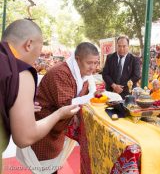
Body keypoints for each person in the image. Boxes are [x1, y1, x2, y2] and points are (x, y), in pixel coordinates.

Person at [0, 19, 80, 170]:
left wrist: (20, 108)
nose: (37, 59)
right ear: (29, 44)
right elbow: (25, 137)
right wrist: (59, 114)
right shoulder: (21, 72)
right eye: (39, 50)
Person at [17, 42, 99, 174]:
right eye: (90, 63)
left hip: (57, 128)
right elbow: (67, 105)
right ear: (77, 59)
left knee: (52, 168)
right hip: (43, 127)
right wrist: (92, 97)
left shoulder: (83, 75)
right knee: (44, 168)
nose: (93, 68)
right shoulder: (61, 73)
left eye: (96, 63)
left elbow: (82, 97)